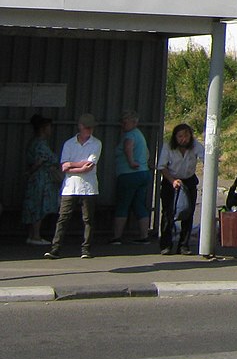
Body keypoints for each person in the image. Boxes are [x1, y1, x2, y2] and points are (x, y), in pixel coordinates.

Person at [45, 114, 101, 259]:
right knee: (63, 217)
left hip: (88, 187)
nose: (89, 130)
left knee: (88, 219)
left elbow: (89, 165)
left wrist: (72, 165)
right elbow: (64, 166)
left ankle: (86, 249)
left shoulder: (96, 143)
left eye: (91, 128)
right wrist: (79, 166)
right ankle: (55, 248)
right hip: (70, 186)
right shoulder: (69, 144)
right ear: (80, 126)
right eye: (87, 127)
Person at [155, 122, 203, 254]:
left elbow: (206, 157)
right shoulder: (168, 147)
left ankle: (184, 246)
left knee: (188, 212)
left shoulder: (195, 146)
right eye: (180, 136)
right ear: (175, 137)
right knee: (168, 213)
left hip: (189, 181)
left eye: (186, 136)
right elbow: (161, 166)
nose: (183, 139)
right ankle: (166, 245)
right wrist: (172, 181)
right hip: (170, 180)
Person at [110, 110, 152, 244]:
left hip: (129, 174)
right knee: (139, 204)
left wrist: (131, 161)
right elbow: (147, 153)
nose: (122, 124)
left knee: (123, 204)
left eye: (125, 121)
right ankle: (144, 236)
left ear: (134, 122)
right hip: (143, 173)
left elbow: (128, 147)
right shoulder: (140, 134)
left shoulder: (129, 135)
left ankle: (117, 237)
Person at [20, 115, 57, 247]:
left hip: (35, 178)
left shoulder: (34, 142)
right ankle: (36, 235)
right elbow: (41, 161)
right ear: (43, 128)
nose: (50, 130)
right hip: (40, 178)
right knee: (39, 206)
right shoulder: (40, 143)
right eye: (49, 127)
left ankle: (32, 234)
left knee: (34, 205)